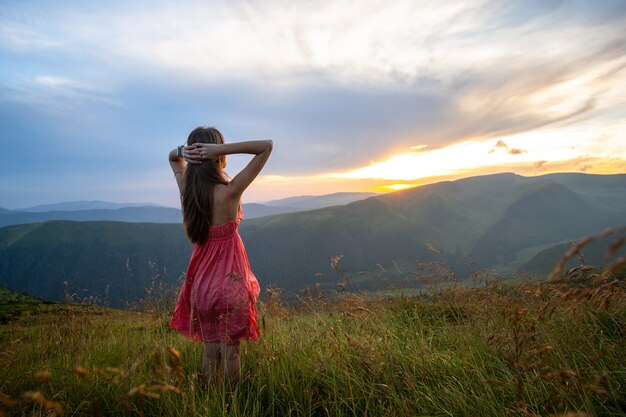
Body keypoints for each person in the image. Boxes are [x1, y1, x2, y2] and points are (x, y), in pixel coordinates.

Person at [168, 126, 272, 386]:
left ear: (192, 157)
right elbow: (266, 146)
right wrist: (222, 149)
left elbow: (172, 157)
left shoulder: (187, 193)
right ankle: (229, 405)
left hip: (201, 287)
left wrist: (184, 151)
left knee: (210, 351)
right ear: (218, 157)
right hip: (231, 283)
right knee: (231, 353)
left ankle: (209, 402)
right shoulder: (230, 192)